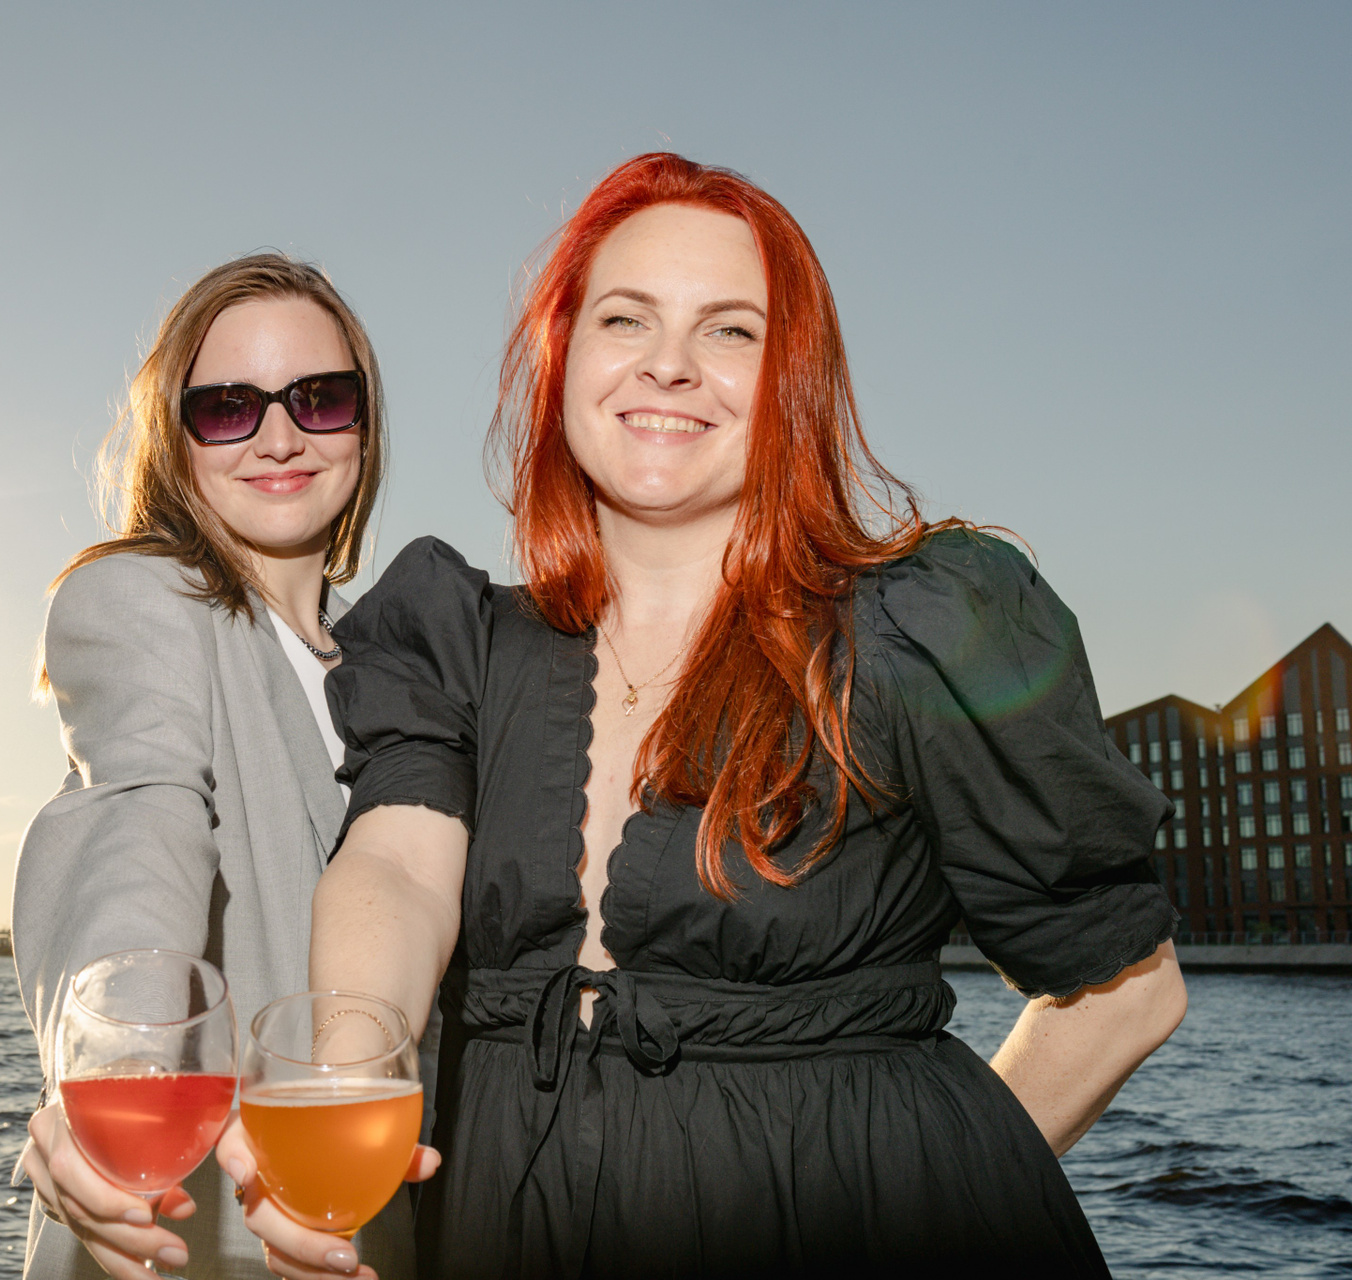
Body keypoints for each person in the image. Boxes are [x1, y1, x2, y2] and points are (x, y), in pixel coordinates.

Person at [219, 154, 1187, 1279]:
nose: (669, 363)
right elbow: (397, 866)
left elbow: (1126, 994)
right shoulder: (458, 640)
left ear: (793, 382)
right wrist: (348, 1075)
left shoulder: (918, 631)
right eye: (625, 318)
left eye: (730, 330)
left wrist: (935, 1205)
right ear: (562, 358)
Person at [11, 253, 417, 1279]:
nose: (280, 437)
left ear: (364, 426)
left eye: (320, 398)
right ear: (175, 436)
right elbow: (142, 822)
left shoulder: (399, 670)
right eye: (229, 408)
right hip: (195, 1242)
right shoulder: (143, 601)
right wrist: (120, 1064)